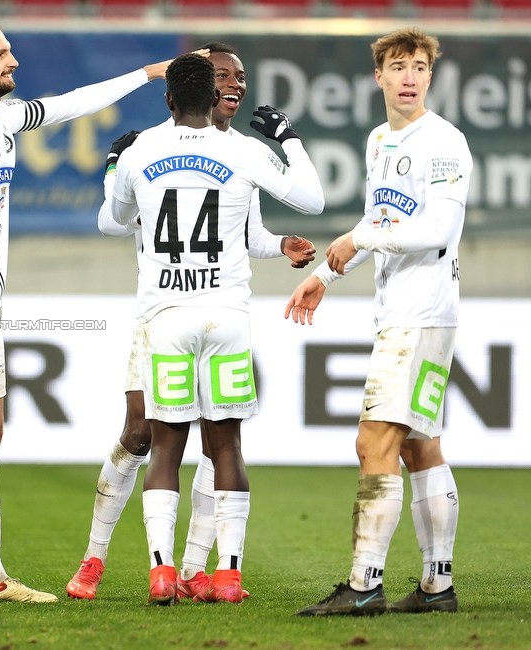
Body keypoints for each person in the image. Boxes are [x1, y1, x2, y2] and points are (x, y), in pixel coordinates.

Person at [0, 15, 204, 605]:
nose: (12, 61)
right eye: (0, 53)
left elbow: (70, 105)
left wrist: (147, 73)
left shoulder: (3, 119)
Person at [66, 43, 316, 602]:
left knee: (195, 438)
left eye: (241, 77)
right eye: (224, 77)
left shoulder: (177, 151)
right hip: (182, 313)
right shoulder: (237, 153)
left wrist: (280, 245)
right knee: (145, 431)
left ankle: (191, 567)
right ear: (207, 89)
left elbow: (245, 235)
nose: (235, 86)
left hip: (172, 314)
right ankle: (96, 555)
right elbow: (310, 196)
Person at [287, 27, 468, 617]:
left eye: (419, 66)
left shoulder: (444, 143)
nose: (409, 76)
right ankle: (438, 587)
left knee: (374, 443)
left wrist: (359, 234)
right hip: (406, 311)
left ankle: (364, 584)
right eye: (399, 66)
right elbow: (382, 221)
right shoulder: (379, 141)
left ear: (430, 78)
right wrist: (327, 276)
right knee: (420, 447)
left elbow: (434, 229)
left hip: (421, 313)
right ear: (380, 77)